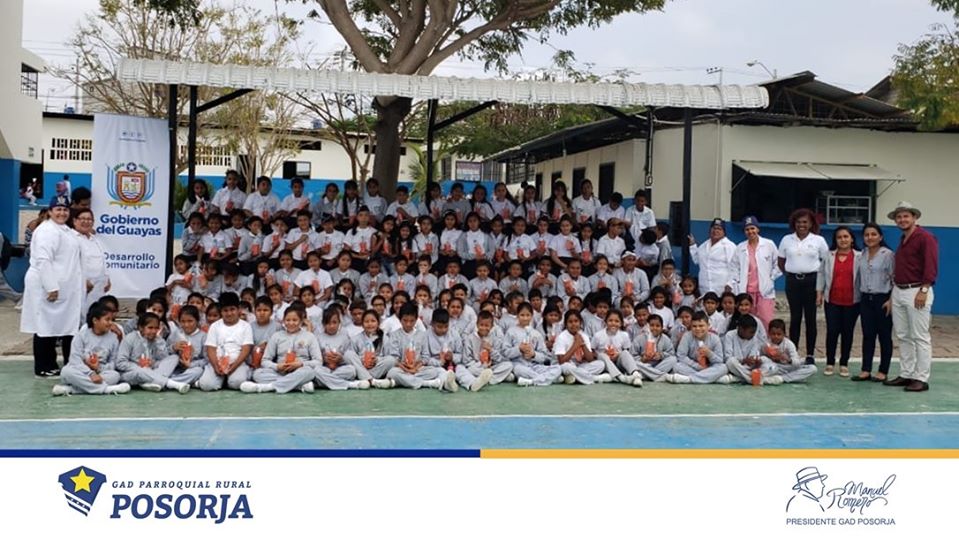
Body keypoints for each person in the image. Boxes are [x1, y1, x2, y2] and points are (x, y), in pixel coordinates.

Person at [21, 199, 84, 377]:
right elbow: (43, 260)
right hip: (47, 286)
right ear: (49, 211)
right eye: (58, 209)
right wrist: (51, 287)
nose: (62, 213)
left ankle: (55, 364)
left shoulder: (65, 230)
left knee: (57, 326)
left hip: (64, 286)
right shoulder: (47, 231)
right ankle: (43, 367)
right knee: (45, 326)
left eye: (65, 210)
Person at [884, 201, 938, 392]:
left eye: (906, 216)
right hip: (899, 290)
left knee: (920, 336)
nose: (902, 220)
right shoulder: (904, 238)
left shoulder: (925, 237)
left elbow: (931, 265)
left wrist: (924, 290)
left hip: (917, 290)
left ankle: (921, 378)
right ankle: (906, 373)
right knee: (903, 335)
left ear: (914, 217)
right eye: (899, 217)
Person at [778, 208, 829, 365]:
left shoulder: (818, 240)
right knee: (795, 318)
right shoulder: (786, 239)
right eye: (798, 222)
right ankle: (793, 353)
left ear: (811, 223)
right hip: (793, 282)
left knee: (811, 318)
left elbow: (826, 262)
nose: (801, 225)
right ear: (794, 223)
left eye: (805, 222)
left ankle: (810, 354)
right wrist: (792, 273)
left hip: (812, 282)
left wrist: (821, 286)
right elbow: (781, 262)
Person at [52, 302, 130, 396]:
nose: (110, 323)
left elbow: (113, 362)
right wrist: (90, 373)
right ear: (95, 320)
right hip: (82, 371)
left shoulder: (113, 338)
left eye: (111, 320)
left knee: (115, 376)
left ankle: (72, 389)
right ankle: (106, 389)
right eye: (107, 320)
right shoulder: (81, 336)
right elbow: (75, 359)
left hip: (101, 373)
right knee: (66, 372)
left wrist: (98, 368)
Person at [818, 226, 861, 377]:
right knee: (832, 331)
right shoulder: (828, 255)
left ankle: (844, 363)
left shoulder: (860, 256)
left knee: (847, 332)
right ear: (835, 240)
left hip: (852, 301)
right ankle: (830, 362)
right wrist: (819, 292)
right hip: (832, 301)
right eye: (839, 237)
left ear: (852, 239)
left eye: (846, 237)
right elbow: (821, 274)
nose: (843, 240)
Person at [855, 223, 894, 382]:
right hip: (866, 299)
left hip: (883, 299)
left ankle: (883, 371)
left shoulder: (888, 255)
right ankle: (866, 370)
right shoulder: (862, 254)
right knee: (868, 335)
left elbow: (894, 278)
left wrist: (891, 300)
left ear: (880, 237)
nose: (870, 237)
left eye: (873, 234)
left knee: (884, 336)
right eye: (866, 235)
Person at [728, 216, 780, 330]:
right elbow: (734, 267)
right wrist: (736, 282)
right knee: (747, 322)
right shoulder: (740, 248)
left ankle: (766, 341)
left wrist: (771, 278)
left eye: (752, 228)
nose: (750, 231)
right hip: (746, 291)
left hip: (764, 291)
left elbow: (778, 263)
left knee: (766, 321)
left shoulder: (769, 244)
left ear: (757, 229)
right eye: (747, 229)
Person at [199, 292, 254, 391]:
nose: (229, 313)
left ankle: (228, 379)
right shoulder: (214, 326)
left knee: (237, 383)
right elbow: (211, 348)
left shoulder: (246, 326)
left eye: (232, 309)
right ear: (221, 311)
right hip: (217, 362)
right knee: (206, 385)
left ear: (238, 309)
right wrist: (216, 366)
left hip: (237, 363)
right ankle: (221, 379)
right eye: (225, 310)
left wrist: (233, 367)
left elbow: (246, 349)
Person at [72, 208, 111, 319]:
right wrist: (83, 280)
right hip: (81, 285)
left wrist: (107, 278)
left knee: (95, 315)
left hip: (99, 285)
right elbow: (71, 263)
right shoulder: (71, 238)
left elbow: (102, 260)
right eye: (82, 219)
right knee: (80, 315)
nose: (86, 222)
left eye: (89, 219)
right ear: (75, 221)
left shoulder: (95, 239)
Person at [688, 218, 736, 295]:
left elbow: (735, 267)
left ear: (724, 232)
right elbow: (696, 260)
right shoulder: (704, 245)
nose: (715, 231)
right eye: (714, 228)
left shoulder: (729, 246)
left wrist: (730, 284)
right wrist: (692, 245)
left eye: (719, 229)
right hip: (705, 288)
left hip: (722, 288)